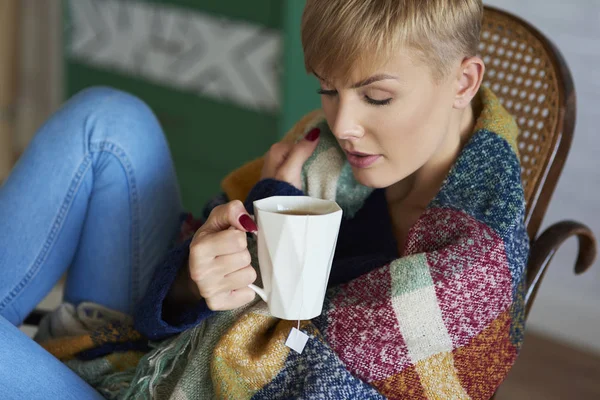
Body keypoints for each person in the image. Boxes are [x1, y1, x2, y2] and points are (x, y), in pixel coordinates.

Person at [0, 0, 528, 399]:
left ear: (464, 80)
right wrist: (194, 279)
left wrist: (271, 213)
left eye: (377, 97)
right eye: (328, 88)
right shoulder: (323, 158)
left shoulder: (474, 267)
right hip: (157, 359)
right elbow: (189, 292)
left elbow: (306, 374)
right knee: (108, 119)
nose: (343, 125)